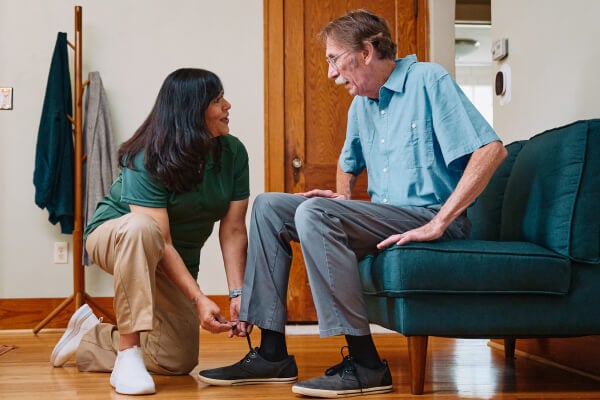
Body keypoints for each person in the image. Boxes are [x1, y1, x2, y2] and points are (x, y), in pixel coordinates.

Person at [198, 9, 508, 398]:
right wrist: (342, 199)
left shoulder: (428, 80)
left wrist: (441, 221)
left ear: (366, 51)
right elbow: (349, 162)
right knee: (269, 206)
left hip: (428, 215)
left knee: (314, 212)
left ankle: (365, 364)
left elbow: (491, 150)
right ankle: (272, 352)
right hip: (388, 217)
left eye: (334, 58)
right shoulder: (362, 103)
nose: (330, 73)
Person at [50, 68, 250, 396]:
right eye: (217, 100)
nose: (227, 105)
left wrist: (237, 294)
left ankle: (92, 336)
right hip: (116, 237)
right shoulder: (146, 156)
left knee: (176, 360)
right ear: (191, 111)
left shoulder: (232, 153)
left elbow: (233, 229)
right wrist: (198, 299)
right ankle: (127, 353)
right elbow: (161, 239)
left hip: (170, 260)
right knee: (142, 229)